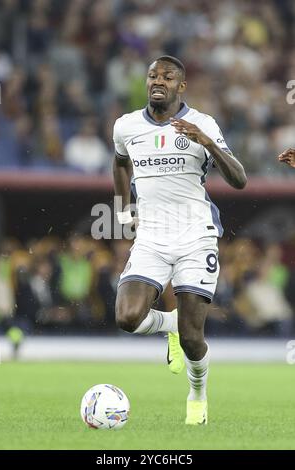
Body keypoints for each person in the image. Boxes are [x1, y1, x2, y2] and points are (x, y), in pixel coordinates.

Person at [113, 55, 247, 425]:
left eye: (167, 77)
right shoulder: (126, 126)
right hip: (152, 238)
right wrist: (124, 212)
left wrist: (207, 142)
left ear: (181, 86)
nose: (158, 81)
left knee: (192, 338)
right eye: (153, 75)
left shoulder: (202, 123)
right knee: (126, 318)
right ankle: (168, 324)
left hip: (195, 237)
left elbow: (239, 179)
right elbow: (120, 161)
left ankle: (198, 395)